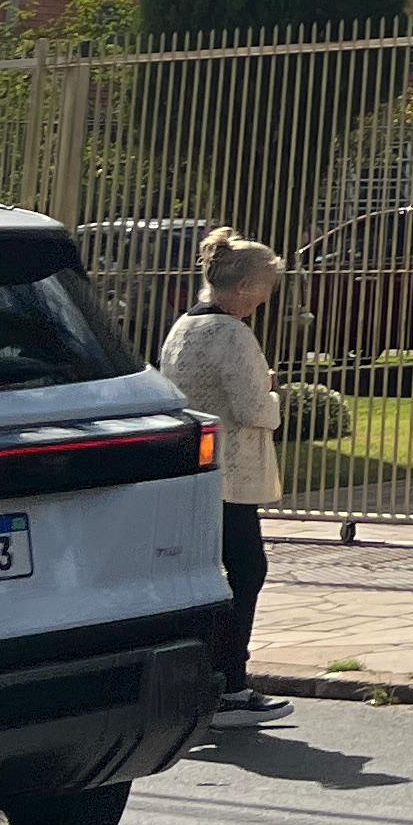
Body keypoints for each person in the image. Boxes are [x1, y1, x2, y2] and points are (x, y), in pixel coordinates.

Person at [159, 231, 292, 727]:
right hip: (231, 474)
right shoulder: (234, 334)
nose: (266, 299)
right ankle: (231, 686)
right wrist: (273, 395)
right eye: (266, 289)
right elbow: (253, 408)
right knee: (246, 571)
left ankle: (205, 683)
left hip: (194, 469)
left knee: (205, 577)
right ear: (247, 287)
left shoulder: (184, 326)